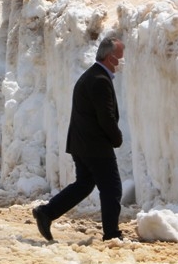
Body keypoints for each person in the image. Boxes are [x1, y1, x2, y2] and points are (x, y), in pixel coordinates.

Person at [32, 36, 125, 242]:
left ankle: (47, 212)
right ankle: (112, 234)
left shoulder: (90, 76)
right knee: (112, 189)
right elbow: (106, 116)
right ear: (110, 58)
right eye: (120, 57)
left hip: (81, 143)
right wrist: (116, 138)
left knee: (84, 184)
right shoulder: (100, 80)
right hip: (95, 145)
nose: (122, 61)